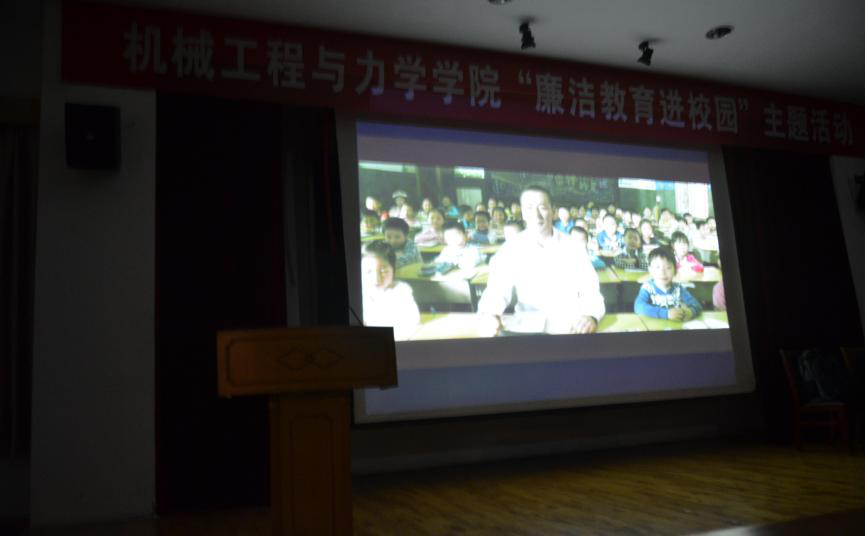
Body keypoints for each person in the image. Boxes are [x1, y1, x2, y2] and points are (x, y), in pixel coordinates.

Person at [477, 185, 605, 335]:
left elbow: (590, 289)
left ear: (553, 211)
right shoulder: (510, 248)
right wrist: (490, 314)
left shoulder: (573, 246)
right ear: (523, 213)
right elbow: (496, 290)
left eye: (542, 207)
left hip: (570, 326)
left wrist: (591, 315)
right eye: (529, 208)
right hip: (527, 327)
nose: (536, 215)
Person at [361, 241, 420, 341]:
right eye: (368, 271)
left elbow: (412, 324)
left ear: (393, 269)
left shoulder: (402, 291)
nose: (377, 279)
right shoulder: (359, 294)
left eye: (384, 271)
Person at [634, 247, 701, 321]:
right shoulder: (647, 288)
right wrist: (666, 313)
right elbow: (638, 306)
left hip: (675, 325)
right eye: (657, 267)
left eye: (668, 267)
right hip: (653, 325)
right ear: (650, 270)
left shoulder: (678, 288)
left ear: (675, 270)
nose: (662, 272)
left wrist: (690, 312)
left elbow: (696, 304)